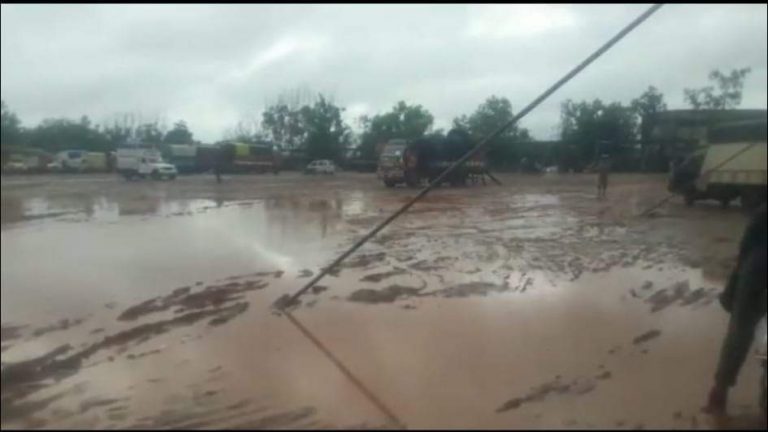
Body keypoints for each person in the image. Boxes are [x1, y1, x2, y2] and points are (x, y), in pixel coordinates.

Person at [705, 203, 767, 416]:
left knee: (738, 335)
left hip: (753, 272)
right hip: (755, 272)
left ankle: (718, 394)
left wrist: (737, 280)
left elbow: (745, 248)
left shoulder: (762, 212)